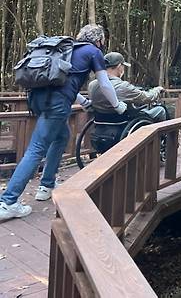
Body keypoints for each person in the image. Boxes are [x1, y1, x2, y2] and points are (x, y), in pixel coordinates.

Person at [0, 25, 127, 221]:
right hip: (56, 105)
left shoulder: (68, 49)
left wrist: (84, 102)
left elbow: (63, 81)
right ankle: (8, 202)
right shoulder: (93, 51)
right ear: (99, 40)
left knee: (62, 136)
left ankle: (47, 185)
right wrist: (117, 105)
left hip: (38, 99)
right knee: (37, 148)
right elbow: (104, 83)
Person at [88, 52, 167, 122]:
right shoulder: (123, 86)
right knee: (160, 110)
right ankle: (164, 138)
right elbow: (147, 97)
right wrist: (157, 90)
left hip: (100, 122)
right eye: (123, 66)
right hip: (123, 120)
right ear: (119, 66)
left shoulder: (92, 85)